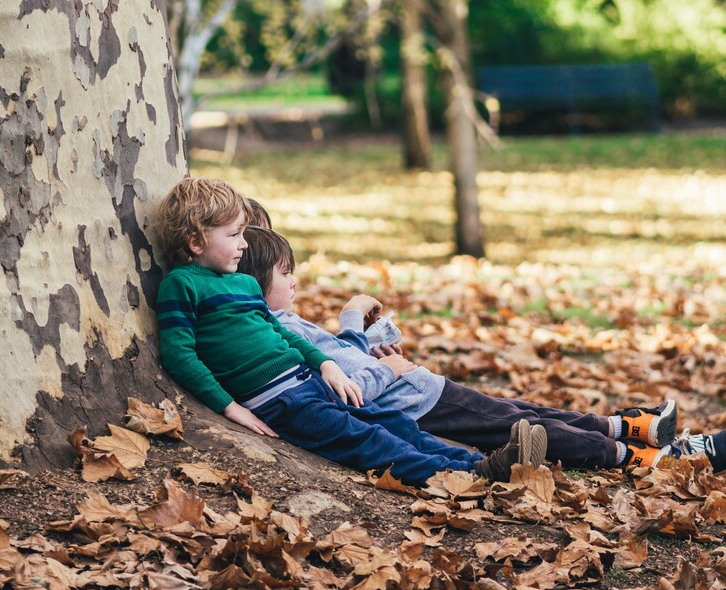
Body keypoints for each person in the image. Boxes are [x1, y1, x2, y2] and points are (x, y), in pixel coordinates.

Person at [236, 225, 726, 475]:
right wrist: (371, 346)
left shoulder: (279, 321)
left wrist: (372, 343)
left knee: (527, 412)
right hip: (416, 402)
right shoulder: (275, 330)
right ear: (256, 281)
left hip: (421, 389)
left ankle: (632, 426)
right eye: (286, 274)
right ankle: (654, 461)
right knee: (528, 429)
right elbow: (351, 383)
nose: (296, 281)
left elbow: (347, 363)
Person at [153, 177, 548, 487]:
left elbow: (283, 335)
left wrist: (326, 365)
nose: (243, 244)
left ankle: (482, 465)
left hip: (310, 381)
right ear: (195, 240)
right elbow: (180, 355)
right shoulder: (183, 285)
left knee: (394, 425)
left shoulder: (243, 284)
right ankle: (463, 479)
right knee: (369, 442)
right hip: (281, 402)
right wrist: (228, 406)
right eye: (234, 235)